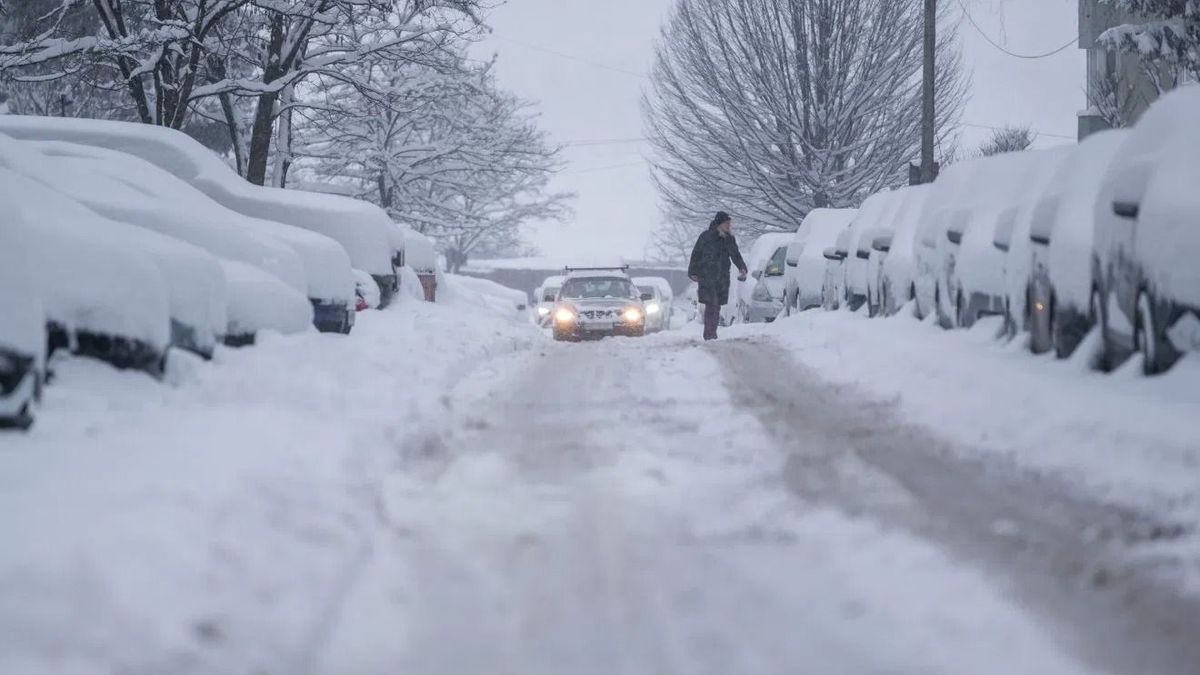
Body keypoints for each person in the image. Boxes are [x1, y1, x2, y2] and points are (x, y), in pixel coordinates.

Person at [688, 211, 748, 341]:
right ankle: (709, 335)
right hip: (707, 276)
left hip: (722, 278)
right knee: (711, 304)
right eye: (727, 223)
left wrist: (742, 267)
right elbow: (696, 254)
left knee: (717, 306)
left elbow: (735, 255)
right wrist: (693, 271)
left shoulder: (729, 239)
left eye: (729, 223)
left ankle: (711, 333)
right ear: (720, 223)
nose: (729, 226)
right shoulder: (706, 237)